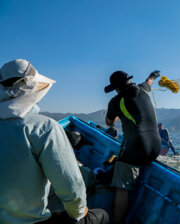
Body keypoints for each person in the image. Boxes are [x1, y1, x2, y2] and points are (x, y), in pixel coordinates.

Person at [0, 59, 109, 224]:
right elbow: (72, 188)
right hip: (30, 221)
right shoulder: (44, 128)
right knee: (101, 216)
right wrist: (79, 212)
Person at [104, 70, 161, 223]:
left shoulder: (116, 101)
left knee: (121, 188)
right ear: (128, 81)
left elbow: (109, 123)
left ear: (116, 87)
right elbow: (149, 82)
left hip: (137, 147)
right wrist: (154, 75)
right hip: (156, 147)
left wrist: (117, 112)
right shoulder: (143, 88)